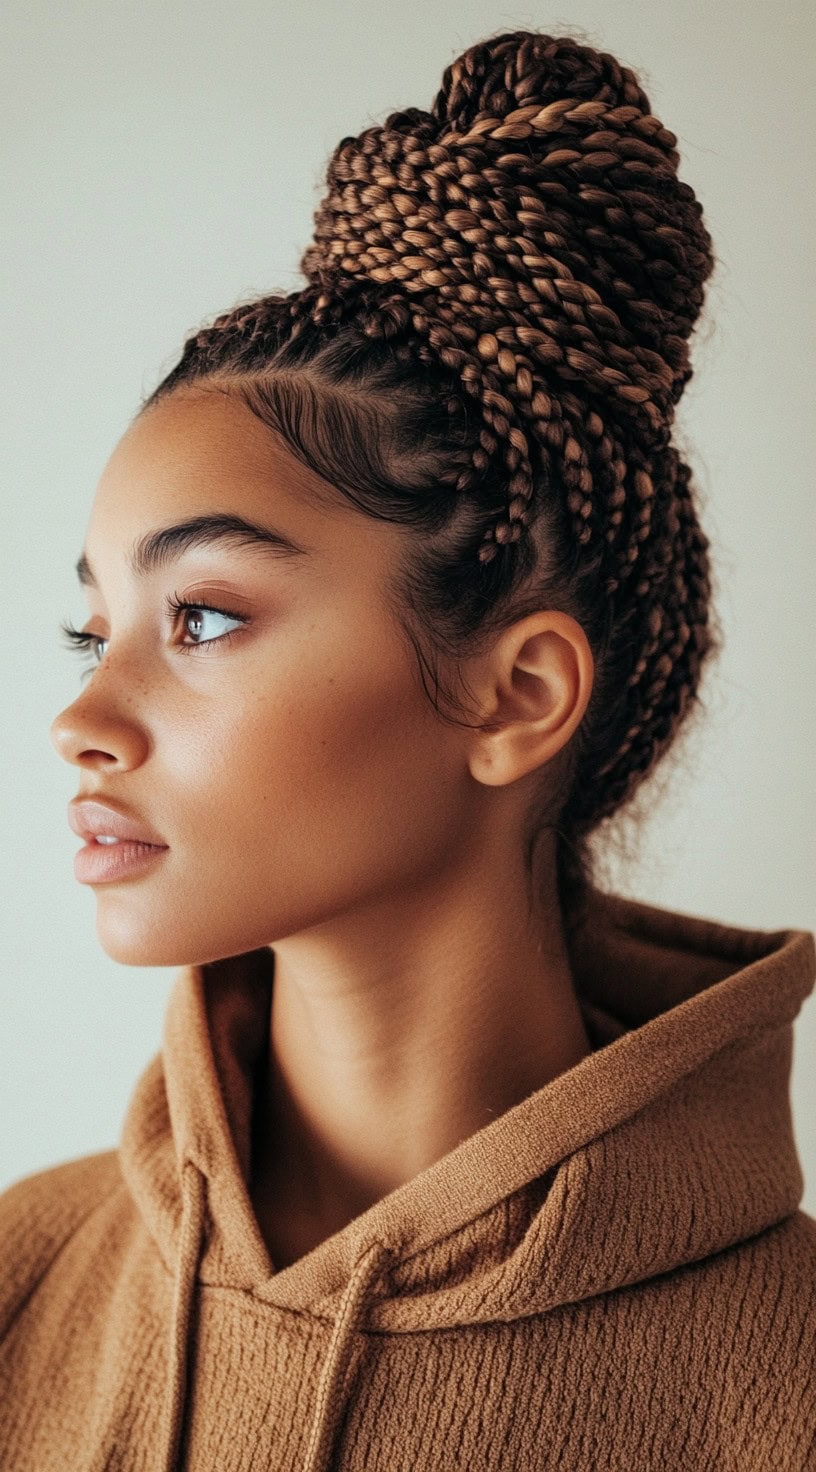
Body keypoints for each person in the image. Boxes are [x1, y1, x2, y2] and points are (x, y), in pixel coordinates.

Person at [1, 27, 814, 1472]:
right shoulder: (23, 1280)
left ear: (514, 696)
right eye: (94, 629)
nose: (81, 719)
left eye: (199, 618)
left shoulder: (791, 1376)